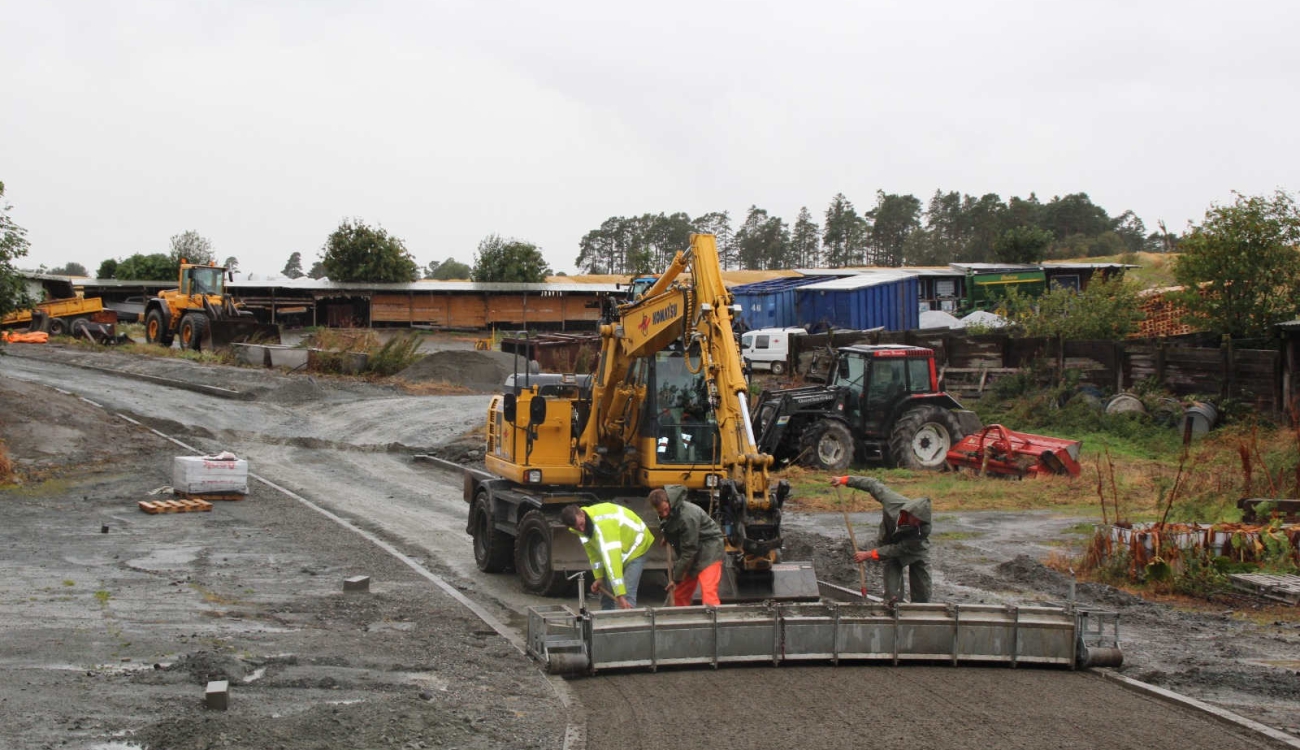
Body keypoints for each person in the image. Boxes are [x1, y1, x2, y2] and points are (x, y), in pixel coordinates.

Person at [830, 475, 932, 603]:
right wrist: (844, 480)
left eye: (920, 521)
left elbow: (900, 549)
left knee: (922, 594)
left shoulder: (923, 529)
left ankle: (920, 614)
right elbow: (872, 484)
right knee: (892, 597)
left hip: (915, 550)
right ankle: (893, 606)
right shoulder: (892, 502)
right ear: (909, 512)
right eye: (916, 519)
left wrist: (869, 554)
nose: (917, 523)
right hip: (890, 544)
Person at [560, 503, 654, 610]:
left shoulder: (603, 525)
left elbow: (612, 560)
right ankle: (606, 620)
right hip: (620, 546)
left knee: (626, 594)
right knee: (606, 589)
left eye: (582, 524)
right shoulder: (581, 528)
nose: (581, 529)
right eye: (577, 528)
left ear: (582, 514)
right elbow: (594, 554)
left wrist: (620, 595)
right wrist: (599, 578)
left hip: (637, 544)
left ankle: (628, 621)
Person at [649, 485, 725, 606]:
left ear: (669, 501)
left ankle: (714, 623)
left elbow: (689, 550)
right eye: (660, 512)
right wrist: (668, 536)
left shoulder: (688, 516)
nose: (664, 514)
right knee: (679, 593)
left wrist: (675, 579)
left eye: (665, 509)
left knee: (708, 591)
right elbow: (672, 523)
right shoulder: (673, 511)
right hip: (692, 551)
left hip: (710, 551)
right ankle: (681, 620)